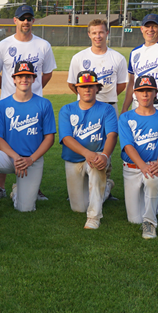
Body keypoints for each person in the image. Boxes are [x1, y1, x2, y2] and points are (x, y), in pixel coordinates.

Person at [0, 61, 56, 225]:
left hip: (32, 160)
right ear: (14, 79)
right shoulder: (3, 105)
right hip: (9, 157)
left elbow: (49, 138)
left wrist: (30, 159)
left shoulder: (44, 104)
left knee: (25, 208)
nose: (24, 79)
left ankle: (17, 192)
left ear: (33, 79)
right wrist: (16, 157)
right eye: (20, 76)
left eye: (28, 76)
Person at [0, 5, 56, 202]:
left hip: (33, 103)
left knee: (32, 139)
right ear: (15, 20)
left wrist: (34, 88)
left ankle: (34, 186)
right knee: (5, 143)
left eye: (29, 18)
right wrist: (9, 90)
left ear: (33, 21)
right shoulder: (3, 45)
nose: (26, 22)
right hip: (8, 103)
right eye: (22, 18)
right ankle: (1, 187)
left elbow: (49, 71)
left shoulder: (43, 45)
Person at [118, 75, 158, 239]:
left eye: (149, 91)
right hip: (132, 169)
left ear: (155, 93)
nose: (145, 94)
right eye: (141, 91)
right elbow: (128, 146)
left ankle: (150, 223)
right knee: (134, 219)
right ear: (134, 94)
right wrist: (142, 166)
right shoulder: (125, 118)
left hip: (153, 166)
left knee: (152, 181)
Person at [58, 71, 119, 229]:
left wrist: (105, 155)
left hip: (98, 155)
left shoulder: (107, 109)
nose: (87, 89)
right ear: (76, 89)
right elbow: (66, 138)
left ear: (97, 88)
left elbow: (112, 135)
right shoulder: (67, 110)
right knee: (78, 208)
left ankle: (94, 217)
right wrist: (87, 154)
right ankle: (105, 188)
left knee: (96, 163)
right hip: (74, 159)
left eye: (91, 86)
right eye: (83, 86)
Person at [67, 18, 128, 110]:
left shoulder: (118, 58)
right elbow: (72, 84)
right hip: (86, 107)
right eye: (94, 33)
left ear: (107, 33)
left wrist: (108, 97)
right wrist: (86, 97)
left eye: (101, 32)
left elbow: (122, 84)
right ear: (89, 34)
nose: (98, 36)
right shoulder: (78, 57)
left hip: (109, 106)